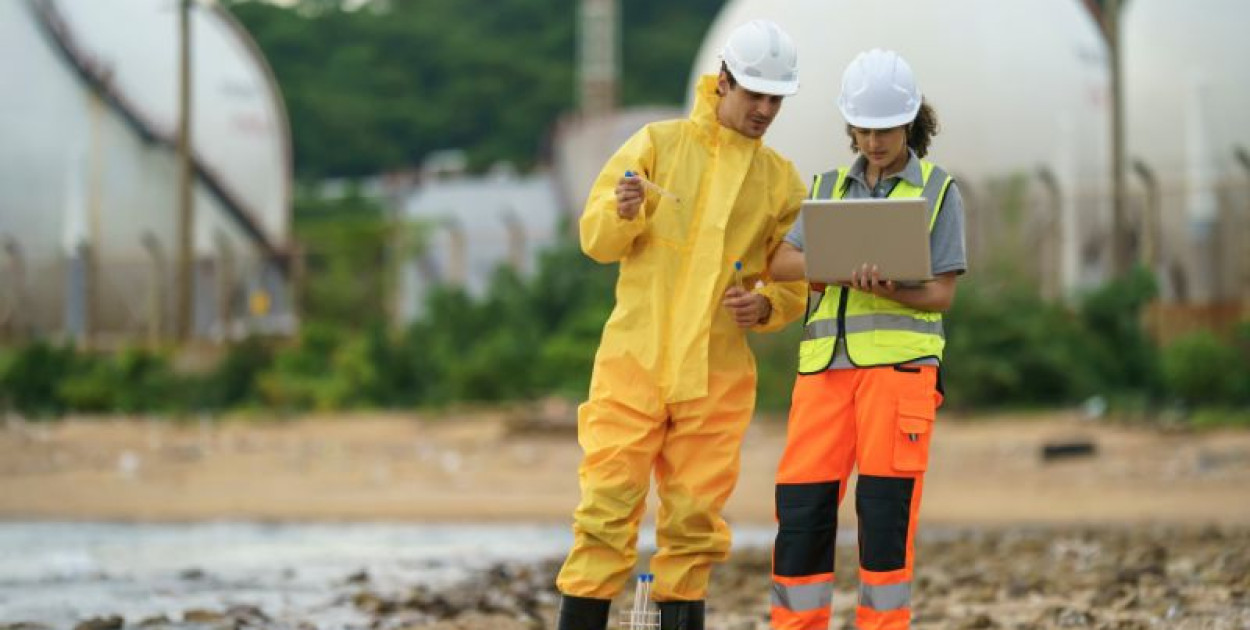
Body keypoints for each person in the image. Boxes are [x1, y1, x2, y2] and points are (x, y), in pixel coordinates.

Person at [555, 20, 810, 630]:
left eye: (776, 99)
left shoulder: (780, 181)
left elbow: (794, 279)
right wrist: (622, 213)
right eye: (755, 95)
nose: (766, 110)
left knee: (694, 528)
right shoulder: (656, 145)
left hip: (715, 379)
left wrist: (767, 307)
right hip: (634, 366)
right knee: (605, 511)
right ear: (723, 82)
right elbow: (595, 238)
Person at [766, 49, 967, 630]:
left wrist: (887, 289)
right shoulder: (828, 187)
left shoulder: (937, 191)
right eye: (863, 128)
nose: (873, 141)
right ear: (848, 125)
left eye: (884, 129)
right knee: (802, 512)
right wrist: (827, 268)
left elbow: (942, 294)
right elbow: (780, 262)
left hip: (899, 378)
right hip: (823, 377)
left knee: (884, 522)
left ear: (910, 122)